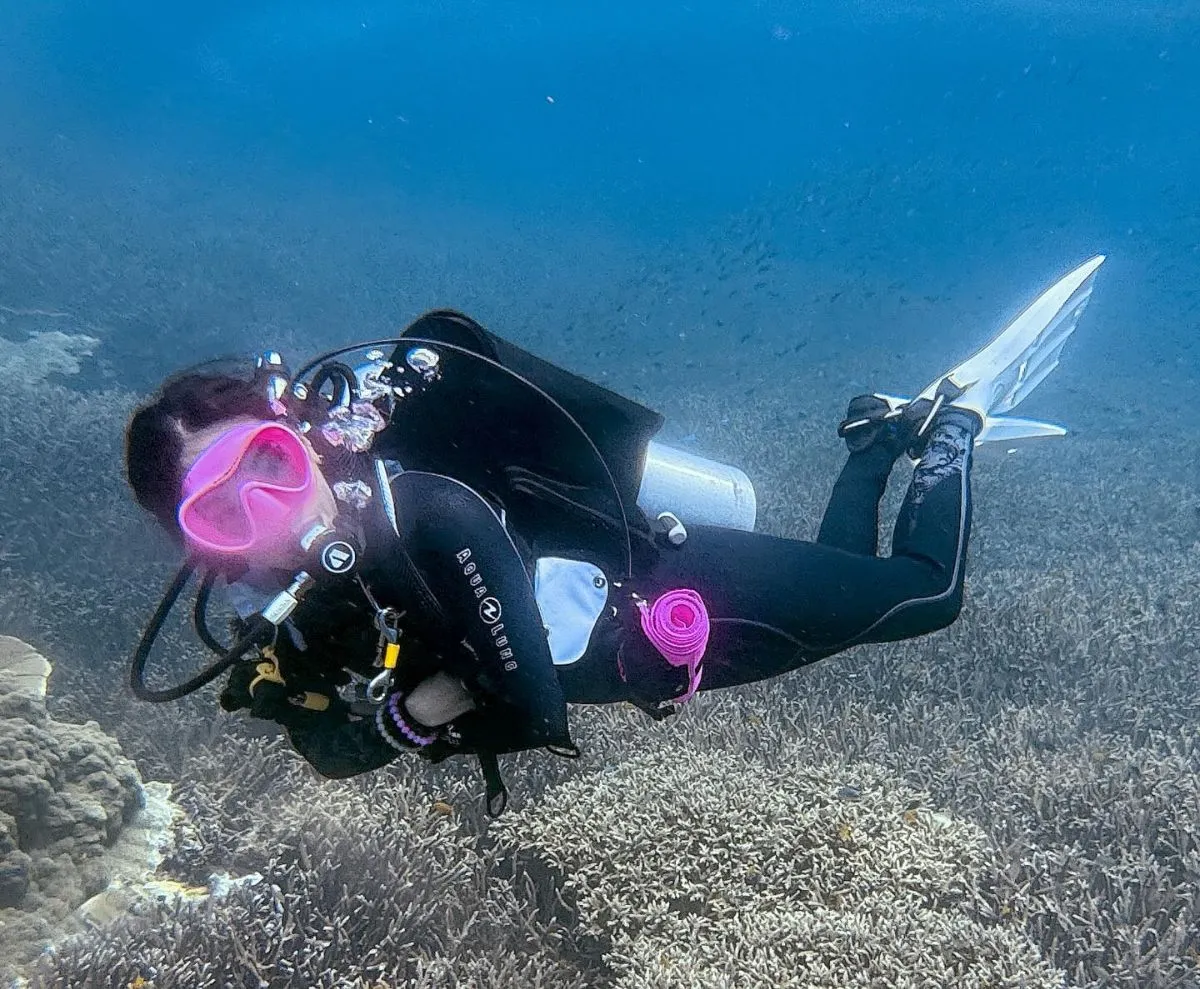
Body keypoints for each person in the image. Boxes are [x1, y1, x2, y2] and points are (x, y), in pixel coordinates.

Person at [124, 256, 1104, 814]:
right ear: (201, 549)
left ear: (300, 439)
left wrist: (428, 704)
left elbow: (536, 704)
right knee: (857, 580)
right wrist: (404, 715)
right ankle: (880, 433)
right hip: (647, 649)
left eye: (268, 464)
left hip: (679, 594)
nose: (268, 510)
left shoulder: (420, 506)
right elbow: (332, 751)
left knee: (926, 593)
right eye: (222, 509)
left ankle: (956, 423)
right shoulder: (281, 627)